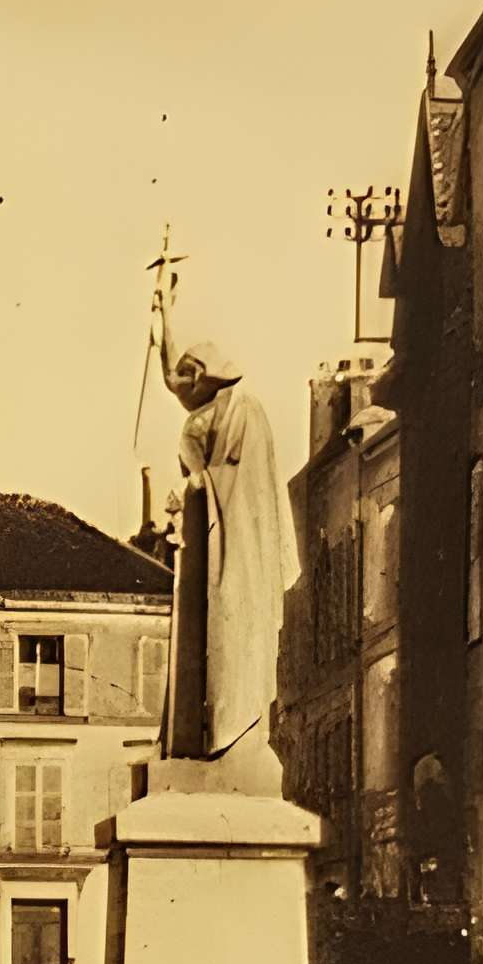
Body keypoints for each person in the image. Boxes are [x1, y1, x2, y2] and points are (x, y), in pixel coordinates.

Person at [154, 306, 302, 797]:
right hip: (205, 545)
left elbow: (238, 484)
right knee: (204, 641)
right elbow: (174, 377)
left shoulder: (243, 412)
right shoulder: (211, 411)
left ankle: (231, 737)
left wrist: (195, 485)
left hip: (234, 551)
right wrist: (163, 318)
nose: (183, 394)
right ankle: (204, 740)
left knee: (231, 639)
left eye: (189, 384)